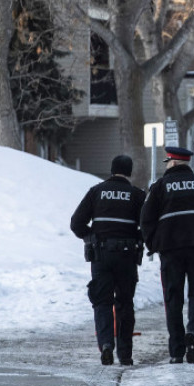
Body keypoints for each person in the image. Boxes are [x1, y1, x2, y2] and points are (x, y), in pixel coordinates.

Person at [141, 146, 194, 364]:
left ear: (171, 162)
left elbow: (146, 219)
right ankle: (193, 333)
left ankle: (176, 351)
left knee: (173, 299)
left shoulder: (159, 186)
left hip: (170, 250)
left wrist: (153, 244)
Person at [70, 155, 146, 366]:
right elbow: (147, 225)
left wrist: (91, 237)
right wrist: (138, 239)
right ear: (129, 172)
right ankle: (125, 353)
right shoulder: (137, 195)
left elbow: (76, 223)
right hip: (127, 255)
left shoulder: (96, 192)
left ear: (111, 170)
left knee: (102, 302)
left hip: (101, 255)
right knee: (124, 303)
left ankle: (105, 345)